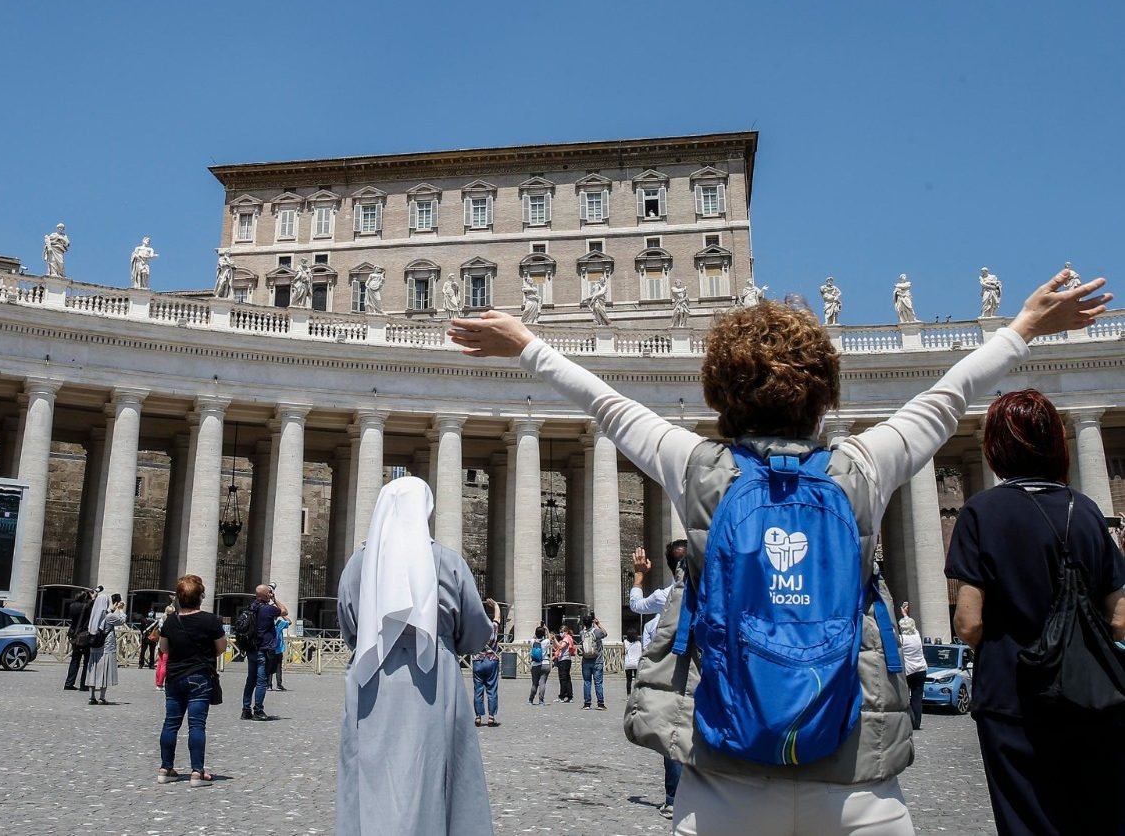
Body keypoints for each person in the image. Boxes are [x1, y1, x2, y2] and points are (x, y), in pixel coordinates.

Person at [449, 268, 1110, 835]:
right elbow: (947, 397)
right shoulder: (862, 468)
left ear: (717, 394)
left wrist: (526, 343)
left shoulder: (699, 469)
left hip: (727, 779)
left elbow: (606, 403)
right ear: (827, 394)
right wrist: (1022, 326)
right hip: (855, 778)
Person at [946, 388, 1125, 836]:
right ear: (1056, 443)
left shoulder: (981, 512)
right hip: (1089, 692)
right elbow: (1121, 616)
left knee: (1027, 818)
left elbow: (968, 622)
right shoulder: (1085, 510)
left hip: (1011, 696)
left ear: (996, 447)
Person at [336, 476, 495, 836]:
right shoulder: (448, 562)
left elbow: (348, 624)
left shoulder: (358, 565)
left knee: (370, 768)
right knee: (436, 770)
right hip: (435, 676)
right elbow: (474, 630)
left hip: (372, 674)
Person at [631, 543, 687, 819]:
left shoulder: (667, 594)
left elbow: (636, 605)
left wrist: (639, 575)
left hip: (674, 672)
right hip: (707, 671)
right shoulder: (716, 589)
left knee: (672, 735)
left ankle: (673, 798)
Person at [157, 574, 226, 787]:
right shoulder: (210, 620)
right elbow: (221, 648)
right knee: (197, 725)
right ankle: (197, 772)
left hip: (175, 677)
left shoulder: (170, 620)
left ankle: (165, 769)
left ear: (179, 597)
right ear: (201, 597)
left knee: (171, 723)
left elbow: (163, 648)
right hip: (199, 676)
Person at [241, 583, 287, 721]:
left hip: (251, 649)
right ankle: (258, 710)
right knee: (261, 682)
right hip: (263, 649)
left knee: (250, 680)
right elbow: (284, 611)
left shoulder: (250, 608)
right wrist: (274, 598)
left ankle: (245, 709)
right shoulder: (268, 609)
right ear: (267, 595)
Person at [86, 593, 128, 705]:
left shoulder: (94, 615)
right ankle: (102, 697)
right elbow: (121, 620)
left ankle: (91, 696)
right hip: (105, 646)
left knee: (93, 670)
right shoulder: (109, 616)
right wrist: (120, 609)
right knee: (103, 671)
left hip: (94, 646)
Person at [471, 598, 502, 728]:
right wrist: (495, 605)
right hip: (491, 661)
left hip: (478, 660)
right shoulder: (493, 628)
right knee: (492, 689)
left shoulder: (475, 630)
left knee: (478, 690)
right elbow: (498, 618)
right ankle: (491, 717)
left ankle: (478, 717)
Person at [897, 605, 927, 731]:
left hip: (908, 671)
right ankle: (917, 723)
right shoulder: (917, 636)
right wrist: (905, 614)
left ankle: (909, 720)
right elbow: (910, 624)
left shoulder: (901, 639)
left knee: (904, 697)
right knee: (917, 698)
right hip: (921, 669)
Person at [64, 588, 95, 690]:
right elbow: (92, 610)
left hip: (74, 634)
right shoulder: (86, 606)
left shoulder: (72, 606)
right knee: (87, 660)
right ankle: (84, 684)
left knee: (75, 660)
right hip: (84, 635)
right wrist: (93, 598)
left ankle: (69, 683)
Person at [577, 612, 608, 710]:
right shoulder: (597, 632)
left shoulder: (582, 633)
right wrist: (598, 624)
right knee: (598, 683)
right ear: (592, 622)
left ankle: (587, 703)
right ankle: (600, 704)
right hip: (597, 660)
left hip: (586, 661)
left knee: (587, 682)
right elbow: (605, 633)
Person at [527, 625, 552, 706]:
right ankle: (541, 700)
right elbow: (550, 638)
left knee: (534, 683)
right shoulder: (545, 642)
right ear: (543, 634)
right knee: (542, 683)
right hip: (545, 663)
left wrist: (537, 629)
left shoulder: (533, 641)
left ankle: (531, 700)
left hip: (535, 665)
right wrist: (546, 629)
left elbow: (533, 637)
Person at [554, 624, 575, 703]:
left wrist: (555, 639)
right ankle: (569, 696)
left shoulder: (566, 638)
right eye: (560, 632)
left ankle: (562, 696)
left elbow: (560, 647)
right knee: (567, 678)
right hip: (565, 660)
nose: (560, 633)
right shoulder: (567, 638)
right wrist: (553, 640)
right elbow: (556, 647)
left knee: (563, 678)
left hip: (564, 660)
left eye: (562, 632)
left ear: (566, 632)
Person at [271, 612, 291, 691]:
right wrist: (283, 615)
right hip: (279, 649)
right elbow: (290, 622)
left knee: (269, 667)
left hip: (269, 648)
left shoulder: (268, 624)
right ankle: (279, 685)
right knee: (278, 667)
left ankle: (269, 685)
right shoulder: (280, 624)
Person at [623, 629, 643, 695]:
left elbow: (623, 652)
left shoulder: (625, 642)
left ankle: (628, 695)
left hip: (628, 663)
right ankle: (636, 694)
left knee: (629, 680)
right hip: (636, 663)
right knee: (637, 680)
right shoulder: (639, 643)